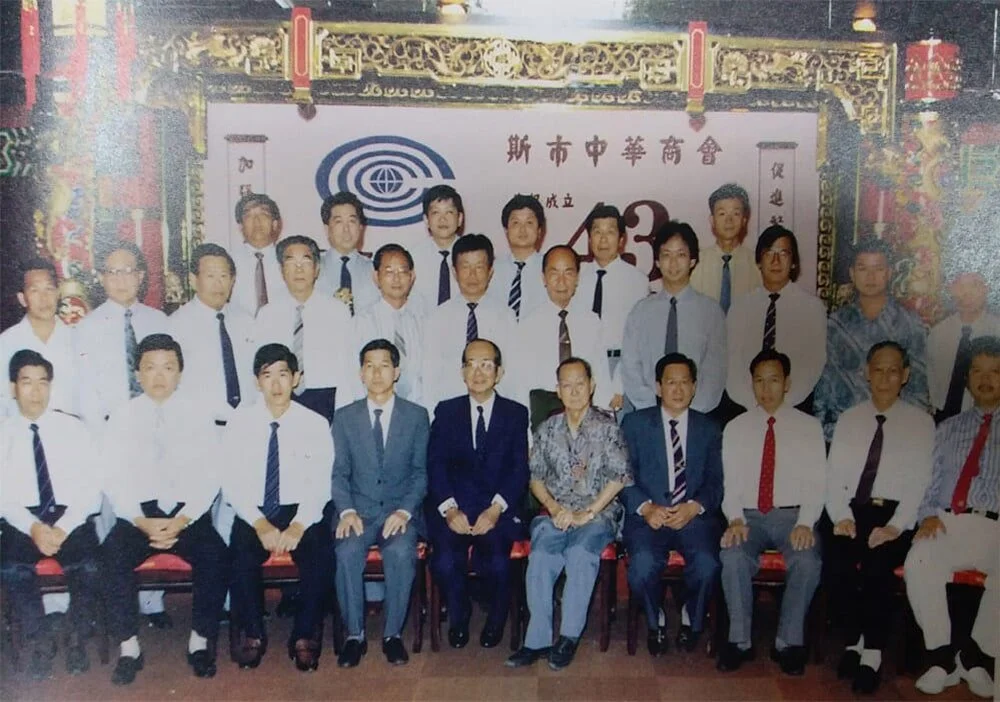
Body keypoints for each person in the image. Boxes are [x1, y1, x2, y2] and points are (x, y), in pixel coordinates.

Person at [99, 334, 230, 680]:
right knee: (110, 556)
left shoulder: (198, 416)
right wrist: (140, 520)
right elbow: (112, 477)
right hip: (138, 517)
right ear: (137, 374)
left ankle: (199, 641)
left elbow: (212, 475)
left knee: (216, 555)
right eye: (150, 368)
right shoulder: (122, 417)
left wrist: (183, 519)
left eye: (168, 368)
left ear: (180, 373)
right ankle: (129, 647)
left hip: (186, 515)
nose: (159, 376)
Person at [505, 358, 632, 671]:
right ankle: (537, 641)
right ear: (558, 390)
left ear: (592, 386)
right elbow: (535, 478)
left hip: (598, 513)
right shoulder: (547, 429)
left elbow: (619, 478)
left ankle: (568, 637)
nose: (574, 391)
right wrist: (555, 508)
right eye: (567, 385)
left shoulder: (608, 428)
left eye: (580, 384)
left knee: (579, 553)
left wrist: (588, 512)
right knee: (541, 557)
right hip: (556, 512)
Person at [825, 341, 934, 694]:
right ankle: (854, 639)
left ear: (906, 375)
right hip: (853, 509)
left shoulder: (921, 423)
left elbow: (920, 483)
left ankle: (871, 651)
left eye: (893, 371)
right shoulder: (849, 419)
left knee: (877, 565)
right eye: (878, 370)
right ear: (866, 373)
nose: (885, 378)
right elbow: (834, 476)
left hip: (894, 513)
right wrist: (841, 517)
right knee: (836, 562)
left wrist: (894, 527)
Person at [221, 343, 334, 672]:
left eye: (283, 374)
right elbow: (231, 481)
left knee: (320, 555)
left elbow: (321, 482)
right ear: (257, 381)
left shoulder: (315, 423)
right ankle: (253, 632)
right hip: (255, 511)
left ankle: (304, 635)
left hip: (302, 510)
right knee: (240, 555)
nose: (276, 384)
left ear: (296, 378)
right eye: (267, 375)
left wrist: (299, 525)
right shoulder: (240, 423)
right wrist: (260, 524)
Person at [717, 349, 825, 676]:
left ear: (787, 383)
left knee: (808, 560)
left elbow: (817, 482)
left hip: (792, 516)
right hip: (748, 516)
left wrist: (806, 522)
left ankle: (788, 642)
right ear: (751, 384)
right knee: (732, 555)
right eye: (759, 381)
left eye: (774, 380)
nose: (766, 389)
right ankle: (739, 641)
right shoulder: (736, 427)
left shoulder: (809, 427)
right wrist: (735, 518)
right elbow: (730, 483)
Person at [0, 350, 104, 681]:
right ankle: (40, 641)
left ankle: (76, 639)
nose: (36, 391)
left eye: (42, 382)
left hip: (69, 517)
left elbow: (93, 487)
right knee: (12, 568)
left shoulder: (73, 429)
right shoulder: (3, 433)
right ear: (12, 387)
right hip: (22, 520)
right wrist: (33, 527)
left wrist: (63, 527)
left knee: (89, 565)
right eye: (26, 382)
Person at [905, 336, 999, 699]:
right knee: (919, 559)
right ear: (967, 378)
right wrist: (928, 515)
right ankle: (941, 657)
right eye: (977, 371)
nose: (985, 380)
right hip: (949, 521)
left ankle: (976, 655)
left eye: (995, 372)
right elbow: (926, 485)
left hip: (996, 526)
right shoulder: (946, 429)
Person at [426, 339, 530, 649]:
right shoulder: (447, 411)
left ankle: (496, 619)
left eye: (486, 365)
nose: (478, 372)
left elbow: (519, 470)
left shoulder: (515, 413)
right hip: (455, 508)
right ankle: (459, 615)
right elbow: (435, 464)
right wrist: (449, 509)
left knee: (498, 562)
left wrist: (496, 509)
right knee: (444, 562)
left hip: (497, 509)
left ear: (499, 372)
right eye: (471, 365)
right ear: (462, 372)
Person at [332, 339, 429, 668]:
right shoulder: (344, 418)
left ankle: (392, 635)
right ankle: (354, 636)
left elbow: (420, 473)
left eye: (384, 366)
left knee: (401, 552)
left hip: (398, 512)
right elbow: (339, 473)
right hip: (357, 512)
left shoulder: (416, 416)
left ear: (396, 371)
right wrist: (346, 511)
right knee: (346, 552)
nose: (377, 373)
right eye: (369, 366)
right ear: (361, 373)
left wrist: (404, 511)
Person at [621, 353, 723, 657]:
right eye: (670, 383)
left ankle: (692, 616)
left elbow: (716, 483)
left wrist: (695, 506)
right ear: (658, 387)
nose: (678, 390)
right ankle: (656, 620)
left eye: (684, 383)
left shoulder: (709, 428)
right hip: (649, 518)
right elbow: (622, 478)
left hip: (693, 518)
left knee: (707, 564)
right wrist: (646, 508)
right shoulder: (635, 424)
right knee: (641, 566)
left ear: (694, 387)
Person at [814, 236, 929, 441]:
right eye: (863, 268)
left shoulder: (909, 323)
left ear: (889, 273)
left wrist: (909, 432)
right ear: (852, 273)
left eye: (878, 268)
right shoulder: (837, 324)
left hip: (894, 431)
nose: (870, 276)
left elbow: (918, 387)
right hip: (845, 429)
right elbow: (826, 383)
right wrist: (825, 431)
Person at [621, 221, 726, 414]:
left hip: (697, 415)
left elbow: (715, 371)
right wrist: (652, 408)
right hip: (649, 413)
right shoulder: (640, 312)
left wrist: (691, 412)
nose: (674, 263)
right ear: (657, 261)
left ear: (692, 260)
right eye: (666, 255)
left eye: (681, 255)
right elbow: (630, 367)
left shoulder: (710, 312)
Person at [255, 235, 357, 424]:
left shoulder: (338, 312)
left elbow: (348, 367)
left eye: (306, 261)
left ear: (317, 269)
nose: (299, 269)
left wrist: (343, 413)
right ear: (281, 270)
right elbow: (260, 370)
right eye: (291, 262)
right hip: (281, 398)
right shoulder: (267, 314)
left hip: (326, 398)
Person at [726, 225, 826, 414]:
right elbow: (732, 365)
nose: (776, 261)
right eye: (769, 253)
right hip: (746, 409)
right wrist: (751, 404)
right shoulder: (740, 307)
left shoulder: (811, 308)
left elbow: (813, 365)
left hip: (793, 408)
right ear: (758, 261)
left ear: (794, 262)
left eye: (783, 253)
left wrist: (781, 404)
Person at [514, 245, 618, 424]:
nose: (561, 282)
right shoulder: (528, 325)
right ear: (544, 278)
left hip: (585, 410)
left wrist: (604, 420)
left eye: (568, 273)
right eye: (554, 273)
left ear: (577, 278)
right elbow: (522, 385)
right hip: (544, 413)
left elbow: (600, 374)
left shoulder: (591, 321)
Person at [76, 240, 168, 430]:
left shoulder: (160, 322)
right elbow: (85, 393)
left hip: (159, 425)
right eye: (113, 272)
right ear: (101, 278)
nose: (121, 280)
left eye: (127, 271)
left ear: (140, 276)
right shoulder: (86, 328)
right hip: (110, 428)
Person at [421, 234, 518, 410]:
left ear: (490, 271)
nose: (472, 275)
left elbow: (513, 375)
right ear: (454, 272)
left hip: (494, 411)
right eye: (465, 267)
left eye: (479, 267)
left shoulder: (506, 316)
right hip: (450, 411)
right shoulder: (437, 318)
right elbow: (429, 378)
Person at [169, 243, 257, 426]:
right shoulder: (175, 326)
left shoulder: (247, 321)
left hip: (246, 425)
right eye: (210, 276)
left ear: (232, 281)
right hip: (200, 428)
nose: (218, 284)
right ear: (193, 280)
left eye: (224, 276)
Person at [575, 204, 650, 392]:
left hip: (618, 365)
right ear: (589, 239)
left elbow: (639, 339)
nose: (603, 239)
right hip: (581, 365)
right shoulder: (577, 277)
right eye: (597, 232)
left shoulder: (637, 281)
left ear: (622, 239)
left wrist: (621, 385)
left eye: (610, 232)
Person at [0, 258, 79, 418]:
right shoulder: (6, 344)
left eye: (49, 289)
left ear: (58, 293)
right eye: (35, 291)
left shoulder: (78, 339)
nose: (44, 298)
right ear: (22, 298)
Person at [354, 244, 425, 405]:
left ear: (412, 276)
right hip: (374, 408)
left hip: (417, 407)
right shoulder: (362, 322)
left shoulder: (423, 321)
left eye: (402, 271)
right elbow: (353, 376)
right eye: (389, 272)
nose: (396, 278)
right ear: (376, 277)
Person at [928, 271, 1000, 423]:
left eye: (974, 285)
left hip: (989, 417)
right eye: (960, 286)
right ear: (950, 289)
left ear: (986, 288)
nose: (967, 294)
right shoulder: (938, 333)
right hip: (942, 417)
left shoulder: (997, 330)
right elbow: (931, 380)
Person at [689, 183, 761, 312]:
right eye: (722, 214)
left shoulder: (758, 264)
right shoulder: (695, 263)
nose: (729, 220)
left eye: (736, 213)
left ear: (744, 220)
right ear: (712, 220)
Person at [227, 193, 292, 317]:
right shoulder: (227, 261)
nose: (257, 221)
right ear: (240, 227)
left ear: (275, 224)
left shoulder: (289, 260)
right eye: (248, 216)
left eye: (263, 214)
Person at [316, 191, 379, 315]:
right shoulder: (313, 268)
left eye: (352, 221)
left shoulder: (374, 270)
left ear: (360, 227)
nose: (346, 229)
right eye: (339, 222)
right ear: (327, 229)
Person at [490, 194, 546, 322]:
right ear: (506, 230)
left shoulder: (550, 268)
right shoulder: (492, 270)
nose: (522, 229)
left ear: (539, 230)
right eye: (516, 223)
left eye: (529, 222)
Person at [408, 184, 464, 310]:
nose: (443, 219)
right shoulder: (413, 258)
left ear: (460, 218)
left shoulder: (471, 256)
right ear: (426, 220)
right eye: (436, 212)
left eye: (449, 212)